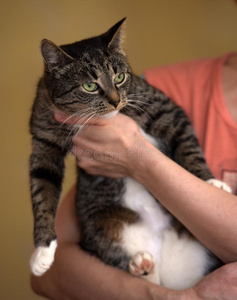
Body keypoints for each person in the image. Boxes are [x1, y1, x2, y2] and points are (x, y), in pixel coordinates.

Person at [31, 53, 237, 299]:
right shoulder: (157, 84)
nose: (114, 97)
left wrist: (139, 159)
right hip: (135, 242)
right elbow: (49, 274)